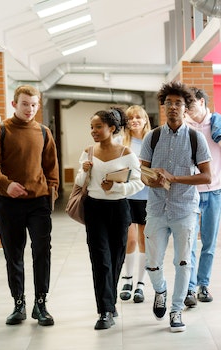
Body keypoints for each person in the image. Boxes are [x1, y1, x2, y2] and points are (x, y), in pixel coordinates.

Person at [0, 85, 59, 327]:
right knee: (13, 254)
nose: (30, 109)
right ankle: (19, 304)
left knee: (41, 253)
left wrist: (51, 194)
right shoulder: (0, 131)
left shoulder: (44, 133)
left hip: (38, 204)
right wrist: (6, 185)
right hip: (8, 203)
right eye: (25, 104)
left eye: (34, 105)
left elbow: (51, 169)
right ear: (14, 104)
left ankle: (41, 303)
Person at [140, 81, 212, 333]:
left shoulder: (196, 138)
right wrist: (154, 179)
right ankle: (160, 290)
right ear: (163, 106)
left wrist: (174, 178)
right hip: (156, 209)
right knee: (151, 262)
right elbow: (142, 174)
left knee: (183, 262)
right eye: (168, 103)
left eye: (178, 103)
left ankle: (176, 309)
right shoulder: (153, 136)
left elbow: (207, 177)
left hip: (184, 210)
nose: (172, 107)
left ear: (186, 108)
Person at [75, 108, 144, 329]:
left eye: (98, 127)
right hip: (94, 209)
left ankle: (110, 301)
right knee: (100, 260)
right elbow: (79, 181)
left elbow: (139, 183)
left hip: (119, 209)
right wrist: (85, 171)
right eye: (92, 128)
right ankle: (104, 311)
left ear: (111, 128)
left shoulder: (126, 153)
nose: (94, 131)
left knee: (115, 259)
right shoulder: (88, 152)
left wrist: (116, 186)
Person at [183, 87, 221, 307]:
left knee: (209, 243)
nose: (187, 110)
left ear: (201, 101)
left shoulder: (219, 125)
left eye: (190, 105)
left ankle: (203, 285)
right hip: (189, 193)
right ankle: (188, 288)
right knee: (188, 243)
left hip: (214, 191)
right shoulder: (184, 128)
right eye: (184, 107)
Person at [118, 105, 152, 304]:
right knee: (129, 240)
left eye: (138, 117)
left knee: (144, 241)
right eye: (130, 118)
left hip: (148, 198)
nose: (134, 121)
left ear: (145, 119)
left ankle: (141, 283)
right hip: (127, 197)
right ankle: (128, 279)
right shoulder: (121, 142)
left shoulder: (152, 141)